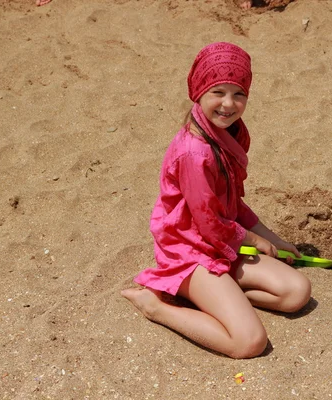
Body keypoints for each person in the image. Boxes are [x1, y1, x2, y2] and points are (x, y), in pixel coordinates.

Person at [122, 42, 311, 359]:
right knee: (249, 342)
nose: (228, 104)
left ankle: (220, 297)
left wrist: (273, 239)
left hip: (222, 242)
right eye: (217, 92)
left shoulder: (230, 133)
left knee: (296, 293)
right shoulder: (195, 153)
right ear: (198, 92)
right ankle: (157, 308)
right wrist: (253, 240)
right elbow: (210, 223)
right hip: (192, 251)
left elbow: (232, 205)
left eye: (238, 93)